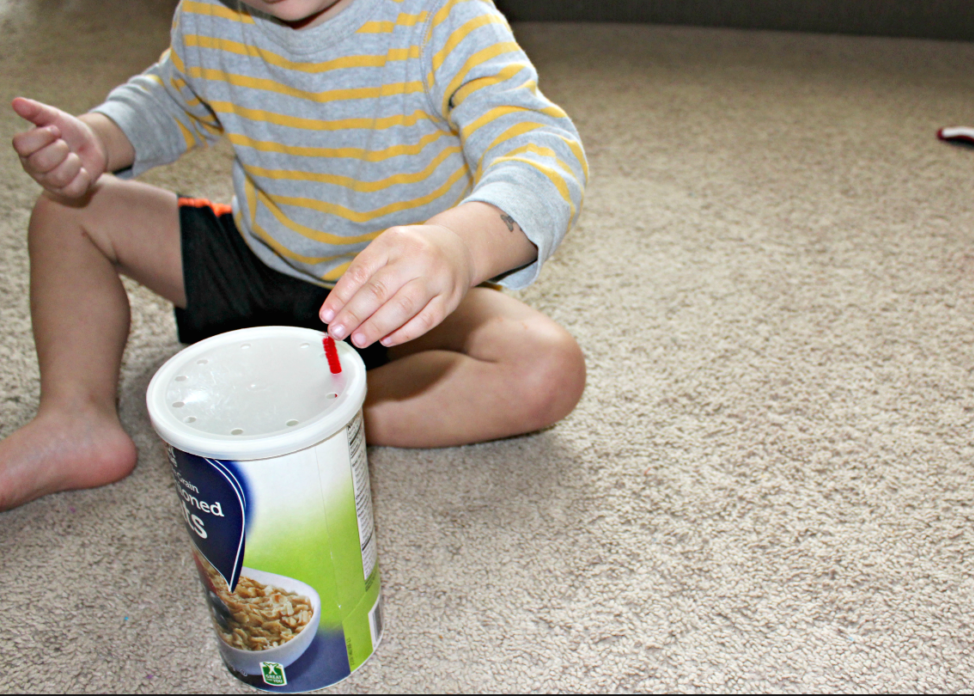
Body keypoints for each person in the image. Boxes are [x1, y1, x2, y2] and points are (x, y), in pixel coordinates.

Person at [2, 0, 588, 511]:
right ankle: (74, 416)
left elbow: (539, 149)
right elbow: (174, 99)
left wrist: (458, 244)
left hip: (394, 301)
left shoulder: (445, 17)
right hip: (256, 260)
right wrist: (100, 137)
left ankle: (324, 419)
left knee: (545, 368)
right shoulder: (211, 12)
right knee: (66, 212)